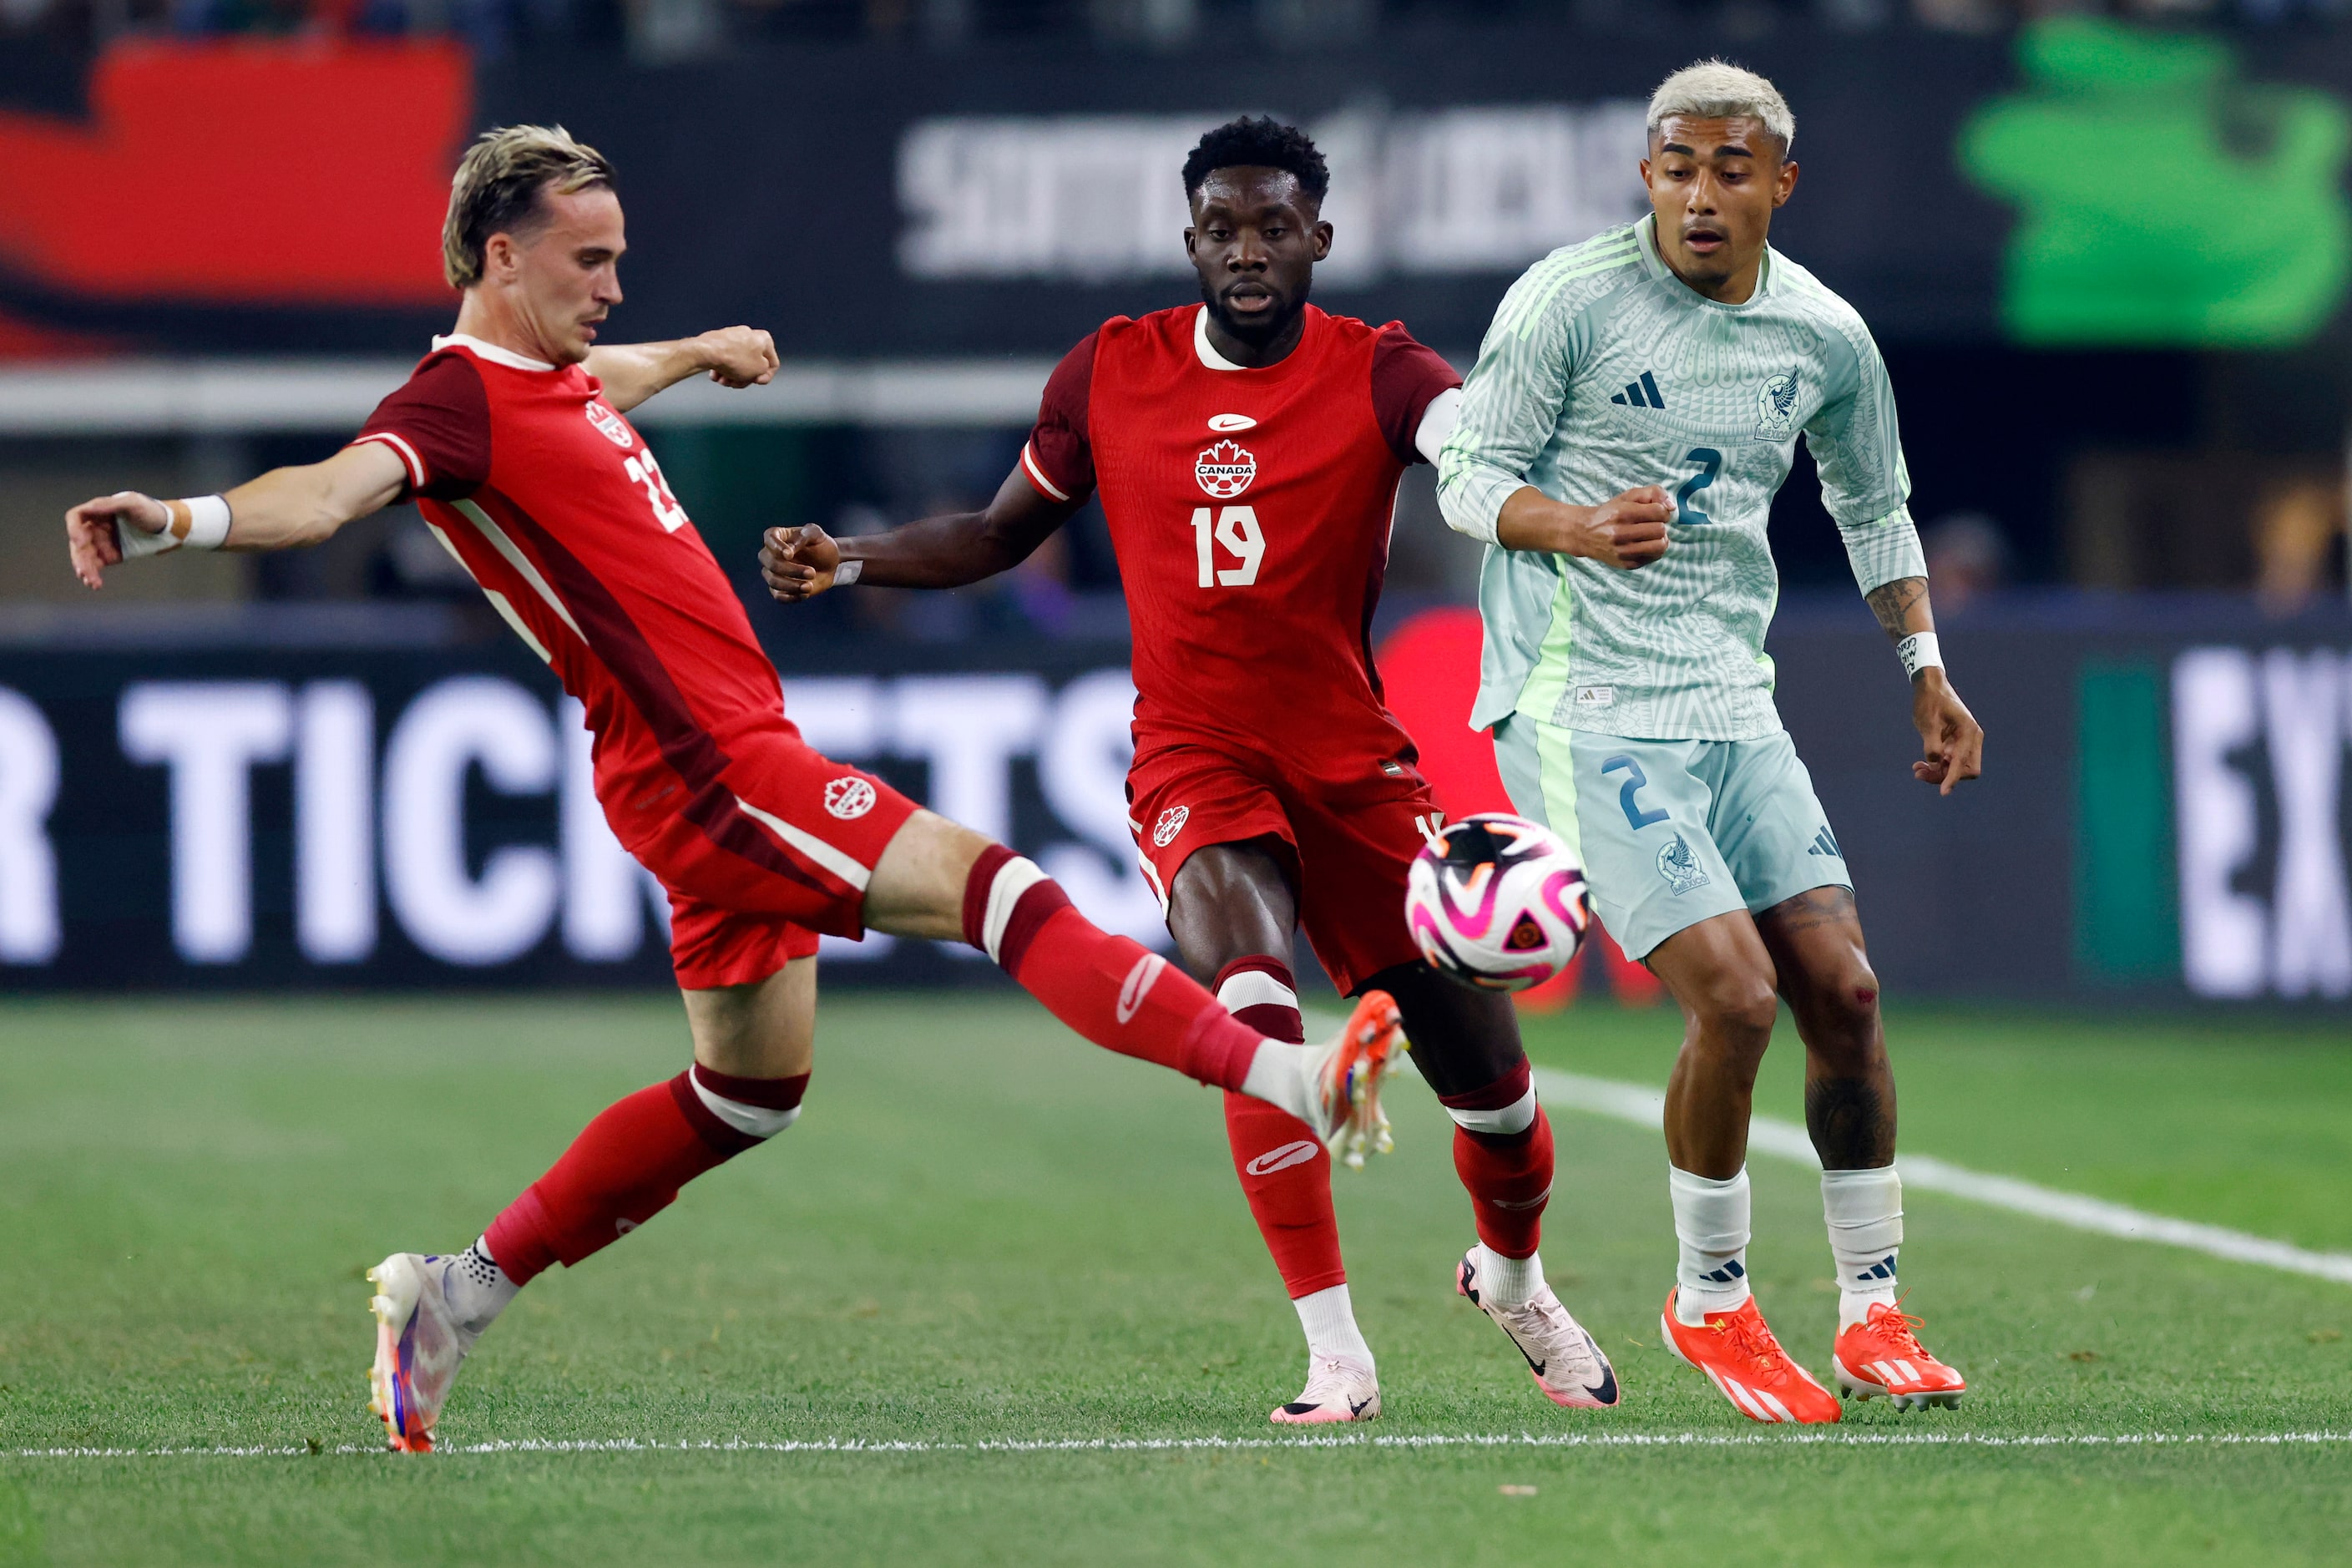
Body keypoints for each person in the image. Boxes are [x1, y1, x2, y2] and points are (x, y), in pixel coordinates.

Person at [63, 124, 1394, 1453]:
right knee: (998, 888)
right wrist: (181, 519)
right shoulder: (449, 403)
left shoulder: (554, 375)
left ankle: (452, 1294)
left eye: (621, 259)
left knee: (747, 1091)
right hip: (712, 768)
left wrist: (699, 354)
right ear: (499, 254)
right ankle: (1287, 1072)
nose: (614, 288)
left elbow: (604, 380)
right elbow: (325, 494)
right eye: (590, 261)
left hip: (702, 766)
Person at [761, 117, 1616, 1425]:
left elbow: (1470, 455)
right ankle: (1334, 1353)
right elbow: (998, 533)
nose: (1248, 249)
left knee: (1493, 1093)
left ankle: (1510, 1280)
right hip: (1195, 757)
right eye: (1222, 227)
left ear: (1318, 237)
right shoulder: (1111, 369)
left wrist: (1553, 503)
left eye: (1274, 225)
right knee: (1254, 1013)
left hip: (1355, 767)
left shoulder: (1382, 373)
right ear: (1190, 241)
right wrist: (857, 557)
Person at [1437, 61, 1984, 1424]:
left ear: (1777, 185)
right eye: (1676, 165)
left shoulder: (1823, 335)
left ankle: (1871, 1313)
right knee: (1735, 998)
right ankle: (1713, 1299)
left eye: (1729, 168)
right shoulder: (1567, 301)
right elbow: (1465, 472)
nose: (1698, 193)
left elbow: (1875, 504)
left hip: (1732, 704)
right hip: (1580, 698)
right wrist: (1573, 525)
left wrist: (1926, 668)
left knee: (1843, 995)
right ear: (1647, 175)